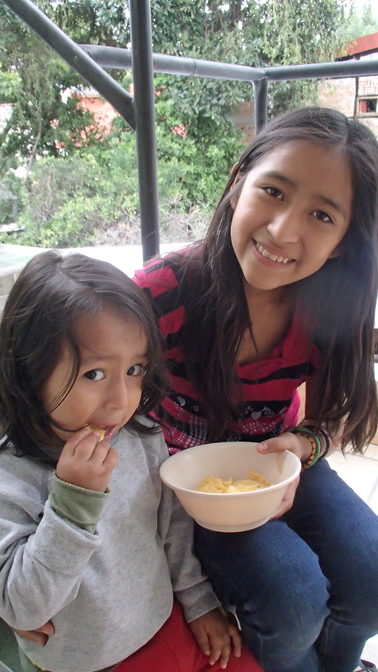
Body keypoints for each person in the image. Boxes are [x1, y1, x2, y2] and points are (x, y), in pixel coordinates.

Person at [131, 107, 378, 672]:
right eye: (273, 190)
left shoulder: (325, 313)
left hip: (274, 464)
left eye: (321, 214)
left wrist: (303, 447)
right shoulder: (160, 293)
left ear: (342, 242)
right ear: (238, 181)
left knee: (371, 573)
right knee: (293, 601)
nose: (283, 230)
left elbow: (336, 416)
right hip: (189, 496)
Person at [0, 251, 261, 672]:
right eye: (95, 374)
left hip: (163, 625)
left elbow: (171, 524)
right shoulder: (10, 477)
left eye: (135, 369)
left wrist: (196, 600)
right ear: (29, 369)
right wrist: (72, 503)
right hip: (84, 662)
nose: (121, 401)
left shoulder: (139, 435)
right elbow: (24, 608)